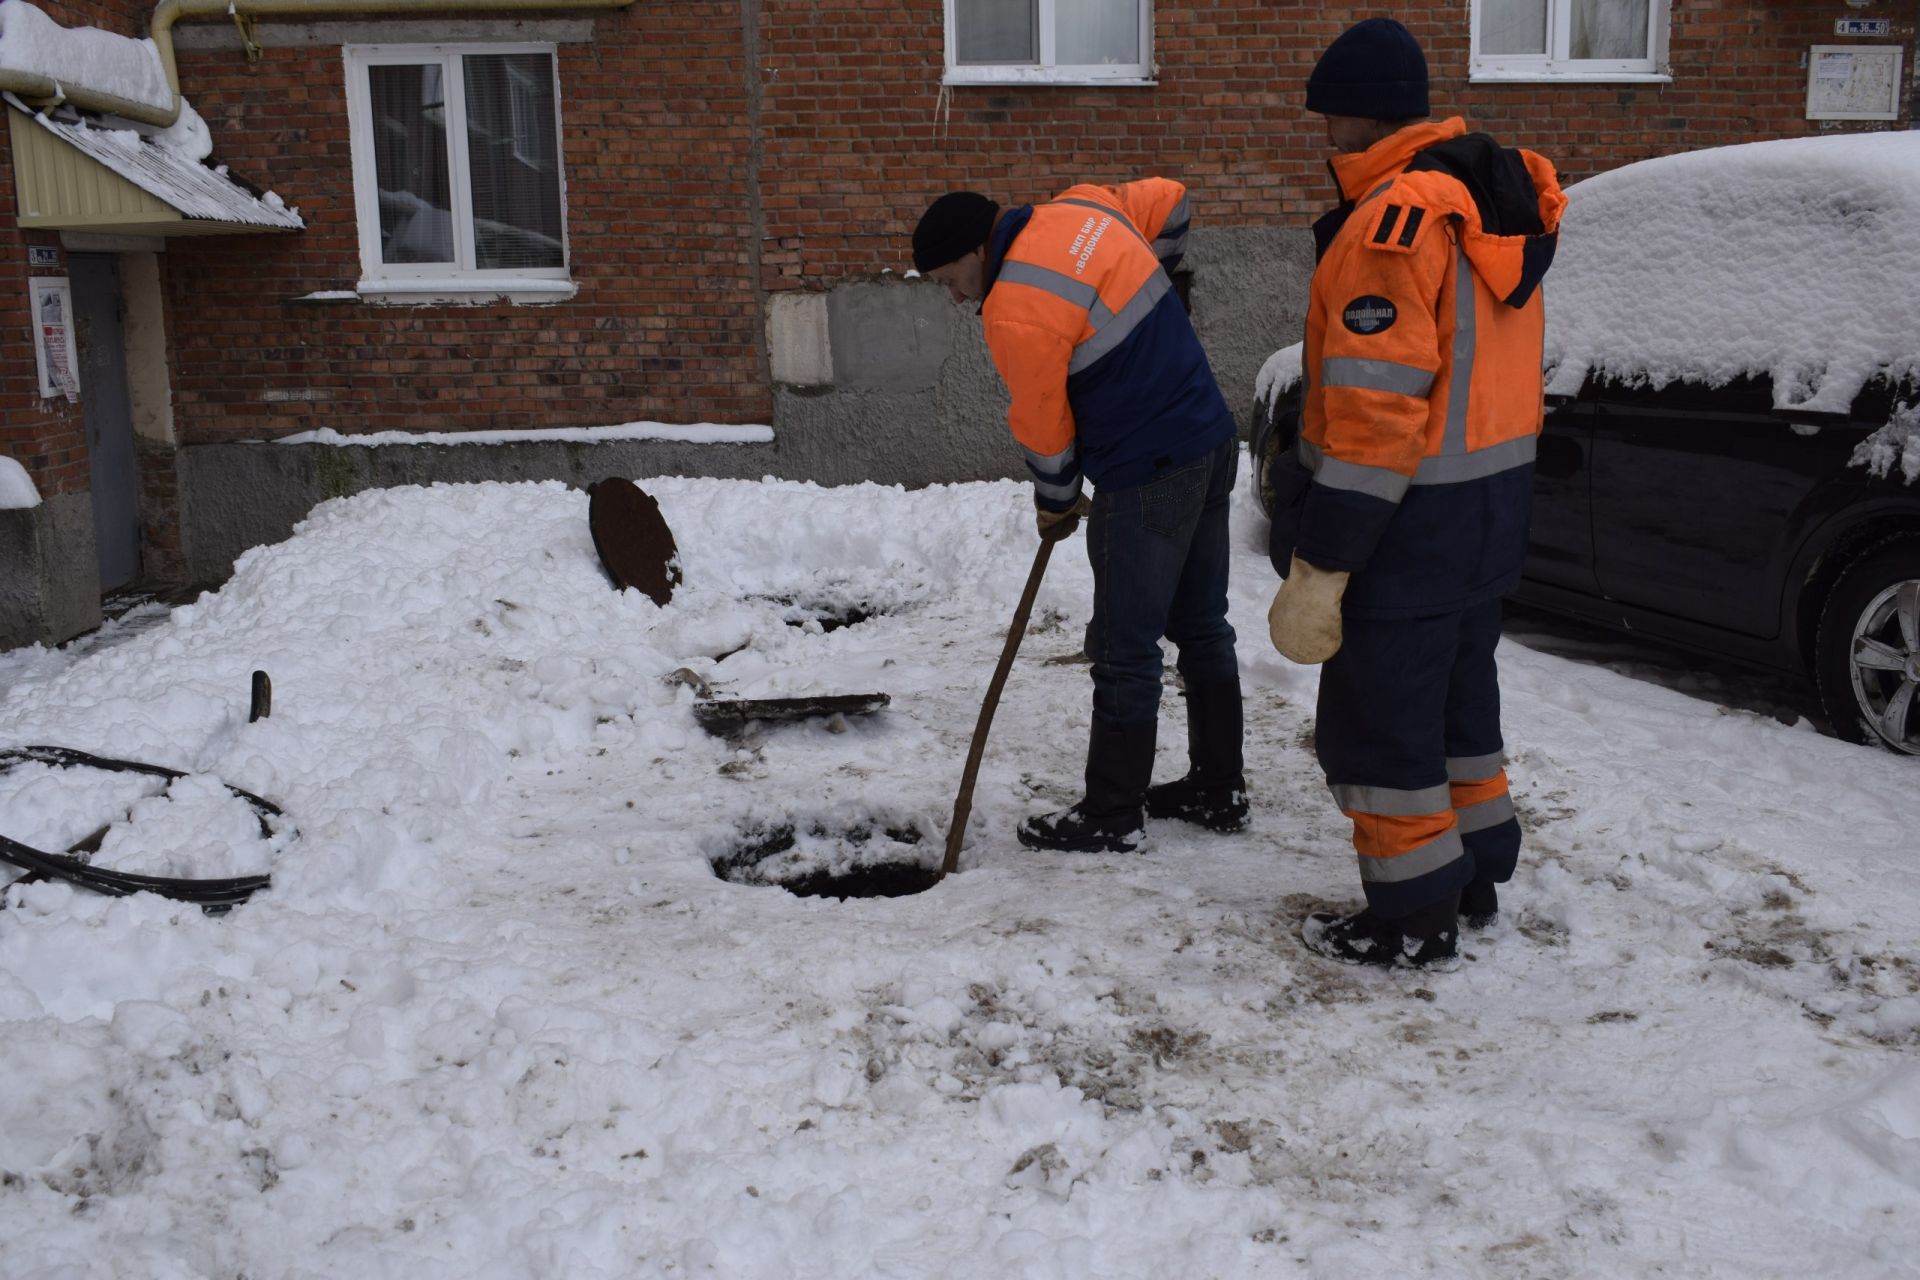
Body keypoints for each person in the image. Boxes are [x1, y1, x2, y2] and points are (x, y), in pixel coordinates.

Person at [1267, 18, 1565, 968]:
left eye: (1329, 120)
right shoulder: (1490, 206)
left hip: (1405, 528)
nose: (1326, 139)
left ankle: (1409, 921)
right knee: (1459, 711)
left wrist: (1325, 558)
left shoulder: (1390, 227)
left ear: (1356, 116)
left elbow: (1373, 417)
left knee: (1380, 733)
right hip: (1487, 517)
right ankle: (1473, 878)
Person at [911, 178, 1244, 853]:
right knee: (1203, 627)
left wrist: (1056, 502)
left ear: (979, 248)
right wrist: (1152, 286)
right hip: (1211, 439)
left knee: (1126, 650)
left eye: (951, 279)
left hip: (1147, 471)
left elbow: (1043, 426)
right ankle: (1218, 788)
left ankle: (1112, 815)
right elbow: (1174, 199)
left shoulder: (1015, 307)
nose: (955, 296)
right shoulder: (1084, 205)